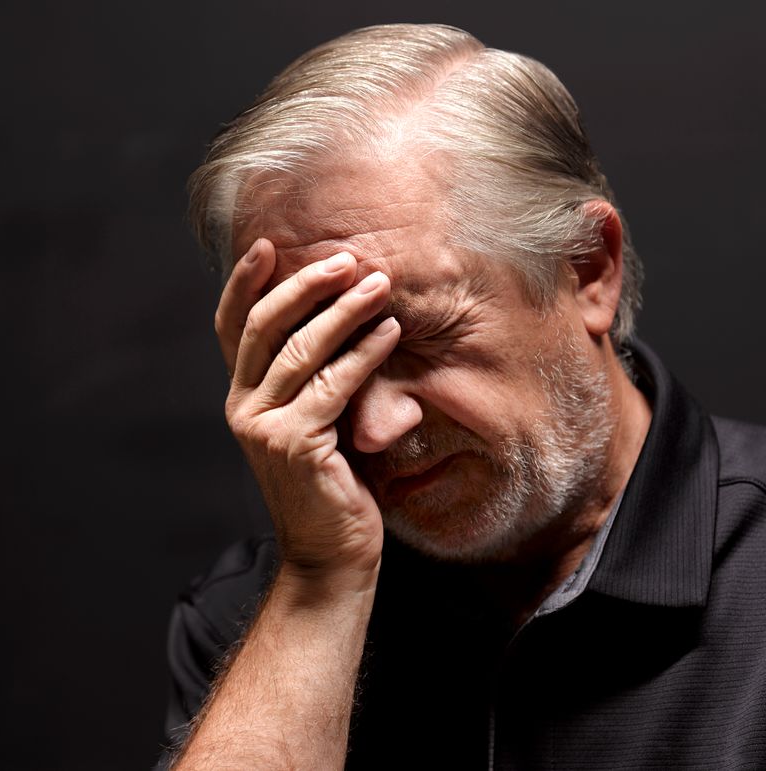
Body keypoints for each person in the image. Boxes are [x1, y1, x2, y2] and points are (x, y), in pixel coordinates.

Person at [156, 23, 766, 770]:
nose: (376, 429)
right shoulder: (246, 619)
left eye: (419, 335)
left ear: (585, 270)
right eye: (328, 356)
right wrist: (320, 584)